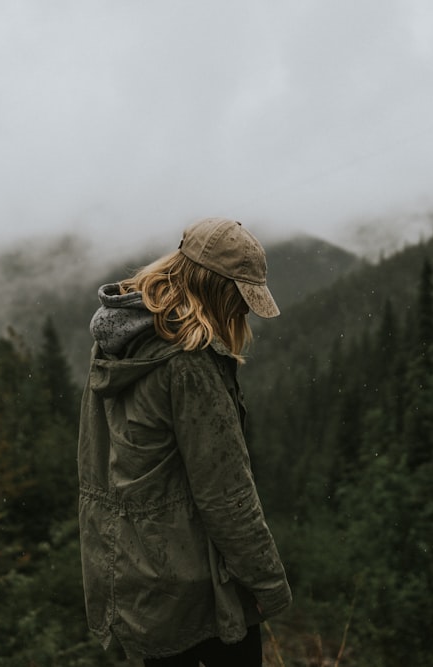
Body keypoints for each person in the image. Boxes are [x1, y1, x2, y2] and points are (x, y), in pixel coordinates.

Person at [77, 217, 292, 666]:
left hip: (136, 577)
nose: (244, 312)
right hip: (197, 592)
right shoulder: (190, 363)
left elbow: (95, 464)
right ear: (220, 289)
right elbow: (227, 495)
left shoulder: (117, 339)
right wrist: (268, 585)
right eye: (240, 298)